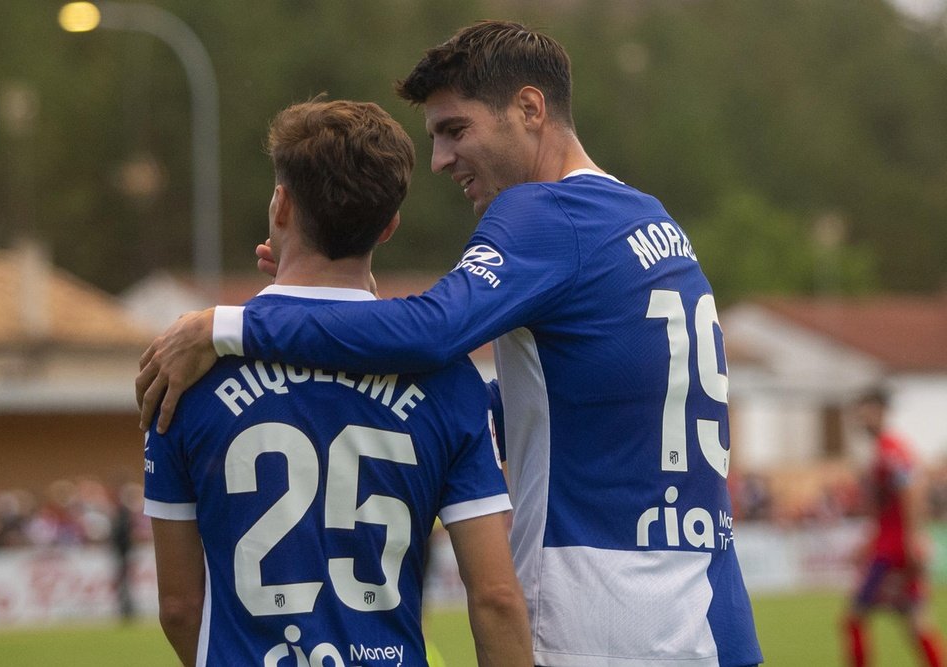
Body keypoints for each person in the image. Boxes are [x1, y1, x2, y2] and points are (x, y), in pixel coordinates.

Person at [137, 21, 762, 667]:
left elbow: (433, 330)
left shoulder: (544, 212)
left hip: (604, 608)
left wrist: (227, 327)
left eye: (455, 130)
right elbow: (566, 401)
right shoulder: (650, 220)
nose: (439, 160)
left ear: (529, 108)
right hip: (711, 607)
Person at [142, 98, 532, 666]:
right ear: (390, 227)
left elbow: (178, 606)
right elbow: (496, 597)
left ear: (280, 205)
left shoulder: (186, 367)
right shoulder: (447, 379)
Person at [844, 387, 944, 667]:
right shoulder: (885, 450)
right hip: (890, 543)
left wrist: (913, 538)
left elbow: (912, 489)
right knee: (914, 620)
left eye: (864, 412)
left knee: (854, 616)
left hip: (893, 549)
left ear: (879, 411)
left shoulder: (890, 449)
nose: (860, 420)